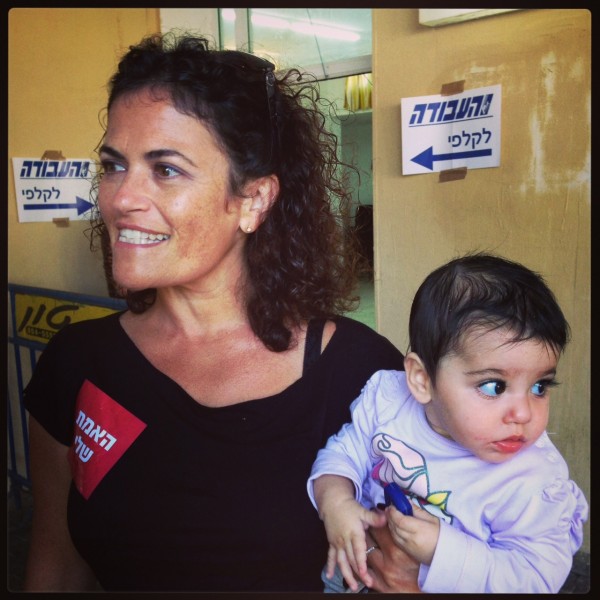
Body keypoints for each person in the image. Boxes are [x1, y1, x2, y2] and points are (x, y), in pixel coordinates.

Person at [21, 32, 421, 592]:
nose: (120, 198)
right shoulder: (77, 363)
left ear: (253, 200)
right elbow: (57, 565)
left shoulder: (362, 375)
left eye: (165, 169)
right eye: (114, 166)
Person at [308, 252, 588, 593]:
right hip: (356, 572)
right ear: (422, 379)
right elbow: (342, 453)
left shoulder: (534, 480)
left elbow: (535, 579)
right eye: (494, 386)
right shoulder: (389, 404)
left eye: (539, 386)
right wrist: (336, 502)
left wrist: (443, 550)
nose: (524, 413)